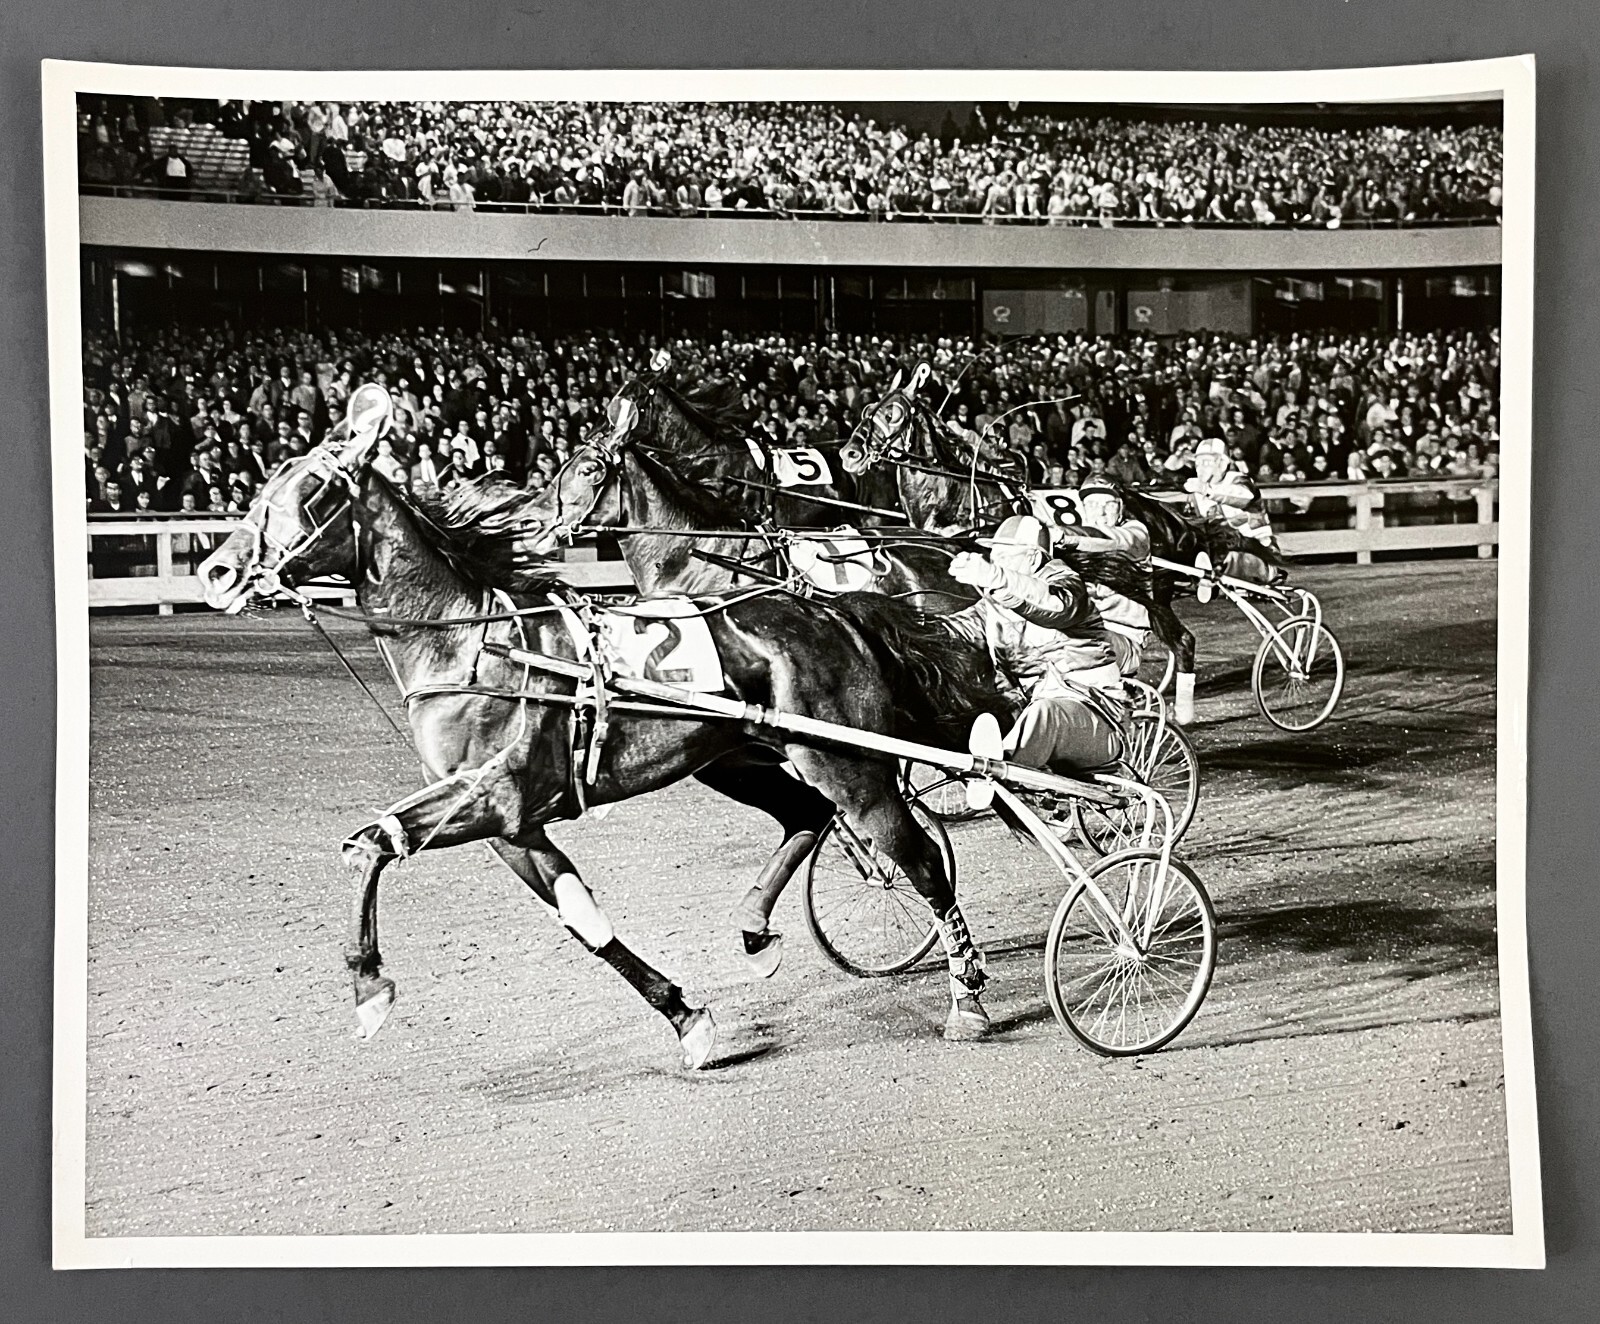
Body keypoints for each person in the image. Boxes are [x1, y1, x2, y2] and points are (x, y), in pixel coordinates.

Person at [946, 514, 1128, 776]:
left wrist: (995, 577)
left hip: (1096, 714)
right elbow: (958, 629)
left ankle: (996, 768)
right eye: (994, 557)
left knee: (1047, 712)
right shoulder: (997, 601)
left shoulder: (1068, 586)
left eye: (1006, 557)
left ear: (1033, 558)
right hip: (1031, 710)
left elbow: (1054, 606)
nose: (997, 563)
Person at [1055, 479, 1153, 677]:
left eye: (1108, 505)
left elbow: (1111, 539)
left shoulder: (1135, 534)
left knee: (1067, 640)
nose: (1100, 512)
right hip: (1083, 630)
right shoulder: (1078, 545)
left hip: (1122, 637)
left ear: (1121, 509)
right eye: (1092, 504)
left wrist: (1064, 536)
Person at [1182, 436, 1282, 587]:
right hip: (1219, 550)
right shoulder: (1196, 493)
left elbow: (1243, 496)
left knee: (1230, 553)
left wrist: (1206, 490)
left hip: (1258, 550)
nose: (1200, 468)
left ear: (1222, 464)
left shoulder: (1240, 481)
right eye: (1197, 463)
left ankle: (1266, 572)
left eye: (1206, 462)